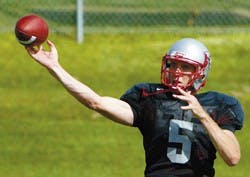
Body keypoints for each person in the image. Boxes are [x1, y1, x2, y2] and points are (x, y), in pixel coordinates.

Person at [25, 38, 244, 177]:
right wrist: (55, 67)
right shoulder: (149, 98)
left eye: (185, 67)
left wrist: (203, 116)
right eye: (173, 64)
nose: (177, 72)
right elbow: (96, 102)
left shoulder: (218, 105)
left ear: (200, 72)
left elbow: (232, 158)